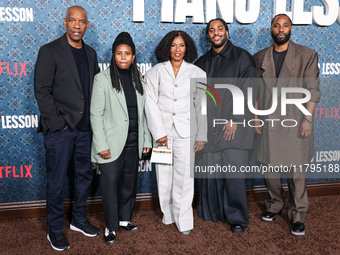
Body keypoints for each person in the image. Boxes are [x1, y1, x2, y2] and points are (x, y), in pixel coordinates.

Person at [34, 5, 100, 251]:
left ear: (87, 25)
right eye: (72, 20)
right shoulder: (49, 51)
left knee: (84, 176)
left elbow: (95, 88)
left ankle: (78, 219)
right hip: (61, 130)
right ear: (64, 22)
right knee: (57, 180)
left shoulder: (91, 53)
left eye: (81, 22)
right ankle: (54, 229)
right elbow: (42, 90)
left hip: (85, 130)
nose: (76, 25)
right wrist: (57, 123)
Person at [253, 14, 321, 236]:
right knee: (270, 169)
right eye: (276, 25)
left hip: (295, 121)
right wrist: (255, 117)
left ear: (291, 29)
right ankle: (274, 205)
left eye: (285, 25)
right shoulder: (259, 57)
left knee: (296, 173)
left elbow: (312, 90)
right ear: (271, 29)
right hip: (268, 121)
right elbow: (254, 92)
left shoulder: (306, 55)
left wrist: (308, 119)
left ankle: (298, 214)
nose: (280, 29)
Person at [195, 18, 258, 233]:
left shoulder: (242, 57)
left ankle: (238, 219)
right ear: (208, 36)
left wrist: (237, 119)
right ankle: (213, 212)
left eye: (220, 29)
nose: (216, 33)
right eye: (211, 30)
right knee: (212, 175)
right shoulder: (202, 62)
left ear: (227, 32)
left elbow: (250, 89)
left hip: (234, 129)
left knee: (233, 178)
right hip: (211, 130)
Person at [90, 32, 152, 244]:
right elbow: (95, 115)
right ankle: (111, 226)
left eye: (127, 54)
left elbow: (143, 114)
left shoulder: (139, 80)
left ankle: (125, 219)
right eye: (119, 53)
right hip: (111, 143)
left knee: (129, 182)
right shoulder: (102, 79)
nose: (123, 57)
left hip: (134, 141)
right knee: (110, 186)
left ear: (133, 57)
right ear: (113, 56)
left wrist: (146, 141)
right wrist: (101, 145)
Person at [144, 30, 207, 235]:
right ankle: (168, 214)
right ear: (166, 48)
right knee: (164, 175)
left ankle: (184, 219)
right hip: (162, 133)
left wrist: (201, 134)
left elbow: (202, 106)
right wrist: (158, 132)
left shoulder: (198, 73)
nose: (177, 49)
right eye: (173, 45)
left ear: (187, 47)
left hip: (187, 131)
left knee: (185, 177)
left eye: (181, 45)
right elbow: (149, 103)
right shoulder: (155, 72)